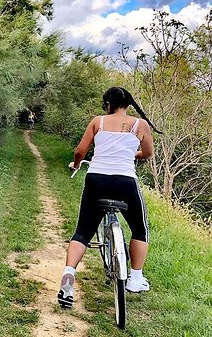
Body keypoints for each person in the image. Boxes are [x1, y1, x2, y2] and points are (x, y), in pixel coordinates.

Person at [57, 86, 161, 309]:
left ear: (107, 104)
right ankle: (135, 278)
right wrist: (133, 153)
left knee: (83, 231)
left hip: (97, 179)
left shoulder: (98, 121)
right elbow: (148, 154)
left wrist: (76, 165)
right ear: (128, 105)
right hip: (125, 182)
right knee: (140, 229)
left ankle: (69, 273)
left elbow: (80, 151)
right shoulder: (139, 125)